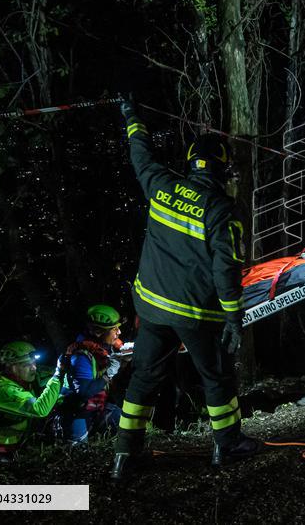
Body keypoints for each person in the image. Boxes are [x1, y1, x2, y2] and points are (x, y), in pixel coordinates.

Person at [111, 100, 258, 479]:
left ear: (190, 163)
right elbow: (226, 270)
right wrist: (233, 317)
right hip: (195, 314)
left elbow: (140, 154)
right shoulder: (221, 212)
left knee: (144, 376)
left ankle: (125, 456)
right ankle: (227, 445)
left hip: (152, 309)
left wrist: (131, 117)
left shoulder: (161, 185)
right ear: (224, 170)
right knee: (216, 377)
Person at [0, 341, 65, 465]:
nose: (34, 368)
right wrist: (58, 376)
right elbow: (39, 409)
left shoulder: (26, 379)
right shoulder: (3, 390)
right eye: (26, 365)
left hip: (8, 450)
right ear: (11, 367)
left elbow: (53, 380)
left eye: (34, 362)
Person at [59, 304, 128, 444]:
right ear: (98, 332)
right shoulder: (81, 356)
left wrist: (124, 363)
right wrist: (109, 373)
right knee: (78, 452)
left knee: (127, 427)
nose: (119, 332)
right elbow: (84, 392)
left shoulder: (102, 349)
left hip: (97, 407)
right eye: (114, 329)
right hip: (75, 410)